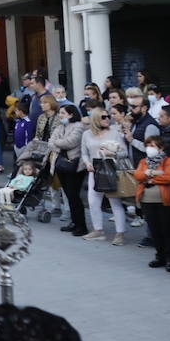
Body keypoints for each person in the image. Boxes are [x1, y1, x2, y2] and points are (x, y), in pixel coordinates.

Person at [80, 107, 129, 244]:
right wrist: (87, 163)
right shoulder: (87, 134)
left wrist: (112, 153)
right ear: (95, 119)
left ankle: (120, 233)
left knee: (115, 202)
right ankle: (98, 230)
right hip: (94, 170)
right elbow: (84, 152)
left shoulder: (114, 133)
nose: (107, 119)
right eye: (103, 117)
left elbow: (124, 152)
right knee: (93, 201)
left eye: (108, 116)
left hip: (112, 169)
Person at [133, 134, 170, 271]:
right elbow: (138, 175)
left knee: (168, 230)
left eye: (152, 146)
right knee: (155, 230)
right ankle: (160, 256)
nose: (149, 148)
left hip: (165, 201)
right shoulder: (143, 161)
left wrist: (150, 177)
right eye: (147, 145)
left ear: (161, 148)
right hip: (147, 201)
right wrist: (156, 173)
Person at [51, 105, 88, 236]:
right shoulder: (59, 127)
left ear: (71, 114)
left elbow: (71, 142)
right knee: (67, 194)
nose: (60, 115)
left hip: (75, 165)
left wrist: (58, 143)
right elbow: (51, 142)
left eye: (62, 113)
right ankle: (74, 222)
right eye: (59, 113)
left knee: (74, 195)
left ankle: (81, 225)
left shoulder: (78, 126)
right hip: (61, 164)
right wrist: (59, 144)